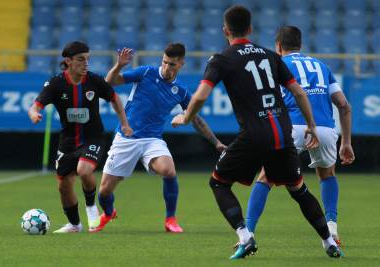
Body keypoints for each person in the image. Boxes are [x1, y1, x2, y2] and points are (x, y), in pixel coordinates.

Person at [172, 6, 342, 259]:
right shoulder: (271, 56)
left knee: (218, 182)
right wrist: (311, 126)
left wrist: (186, 117)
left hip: (253, 135)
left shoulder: (221, 59)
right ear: (250, 29)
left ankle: (245, 235)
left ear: (225, 31)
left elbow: (201, 95)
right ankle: (329, 241)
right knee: (299, 190)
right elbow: (299, 93)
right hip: (282, 133)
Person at [91, 43, 226, 233]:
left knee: (169, 171)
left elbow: (196, 119)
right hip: (126, 137)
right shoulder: (146, 72)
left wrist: (216, 142)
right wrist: (119, 65)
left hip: (152, 140)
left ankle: (170, 219)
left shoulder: (180, 91)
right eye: (164, 62)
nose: (166, 67)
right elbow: (110, 82)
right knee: (104, 191)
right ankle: (108, 212)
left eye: (171, 64)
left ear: (181, 64)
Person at [245, 26, 355, 245]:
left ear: (278, 46)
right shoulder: (321, 66)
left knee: (266, 177)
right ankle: (331, 229)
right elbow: (343, 105)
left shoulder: (277, 64)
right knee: (327, 174)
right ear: (300, 45)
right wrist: (347, 142)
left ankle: (247, 233)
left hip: (292, 127)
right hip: (324, 129)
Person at [28, 41, 132, 233]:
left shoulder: (95, 81)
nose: (86, 64)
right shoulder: (56, 83)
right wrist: (34, 113)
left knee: (84, 171)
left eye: (88, 59)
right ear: (67, 61)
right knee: (63, 186)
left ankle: (91, 207)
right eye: (80, 59)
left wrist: (125, 124)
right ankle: (75, 225)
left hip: (93, 138)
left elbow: (114, 98)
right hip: (68, 142)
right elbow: (35, 105)